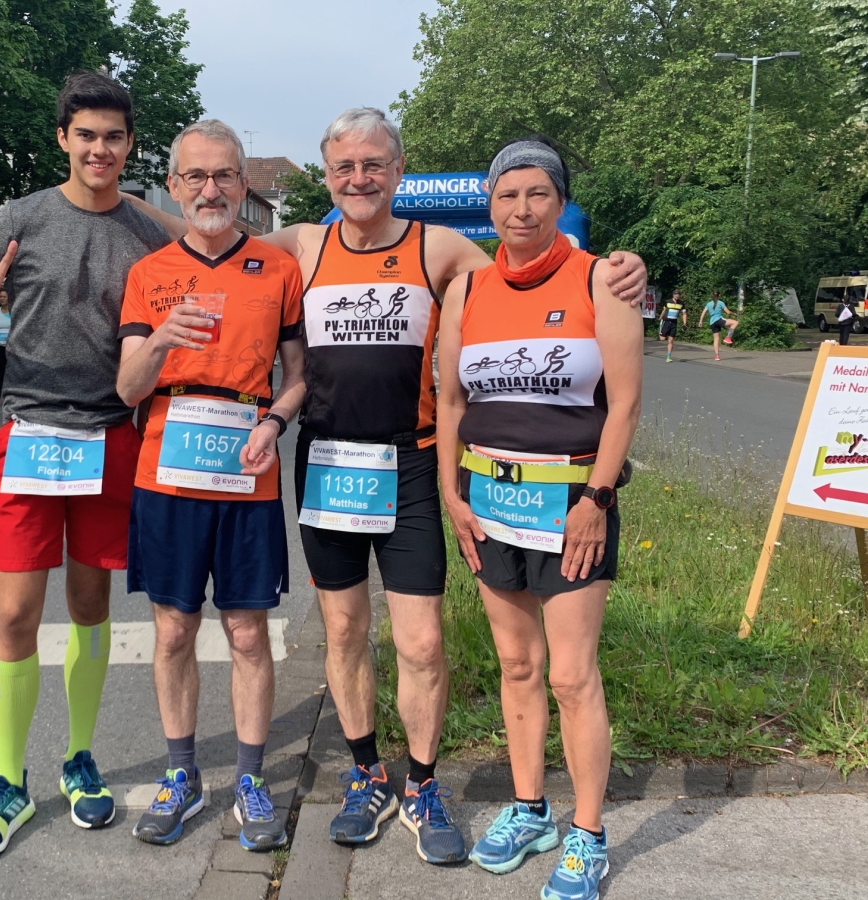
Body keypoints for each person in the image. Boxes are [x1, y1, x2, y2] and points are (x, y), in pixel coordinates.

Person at [125, 107, 649, 865]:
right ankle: (367, 774)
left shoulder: (438, 247)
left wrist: (620, 267)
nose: (359, 178)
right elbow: (209, 224)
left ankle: (423, 784)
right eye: (344, 167)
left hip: (410, 462)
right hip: (329, 462)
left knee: (422, 641)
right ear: (327, 176)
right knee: (343, 632)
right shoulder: (302, 244)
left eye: (374, 164)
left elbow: (527, 262)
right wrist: (116, 195)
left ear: (399, 171)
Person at [0, 71, 171, 860]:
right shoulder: (18, 219)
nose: (100, 149)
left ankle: (79, 759)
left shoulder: (150, 231)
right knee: (16, 617)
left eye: (114, 137)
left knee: (91, 608)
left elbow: (221, 254)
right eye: (85, 135)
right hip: (29, 437)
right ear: (63, 138)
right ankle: (7, 783)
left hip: (110, 438)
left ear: (130, 144)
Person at [437, 138, 642, 900]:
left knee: (570, 675)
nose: (520, 209)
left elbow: (625, 404)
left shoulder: (600, 279)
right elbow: (450, 401)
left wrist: (597, 499)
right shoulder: (467, 290)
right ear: (489, 204)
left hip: (571, 505)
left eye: (537, 194)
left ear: (560, 202)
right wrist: (452, 495)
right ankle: (530, 810)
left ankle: (588, 835)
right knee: (516, 666)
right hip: (490, 502)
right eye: (506, 195)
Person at [116, 119, 306, 851]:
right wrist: (164, 338)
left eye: (224, 175)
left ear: (243, 184)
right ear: (174, 186)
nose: (210, 189)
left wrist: (277, 421)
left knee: (248, 630)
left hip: (246, 465)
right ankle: (182, 773)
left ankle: (251, 779)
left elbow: (300, 375)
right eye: (195, 176)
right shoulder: (149, 274)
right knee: (173, 629)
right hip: (166, 468)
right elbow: (127, 387)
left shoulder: (277, 268)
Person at [701, 290, 738, 359]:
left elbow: (703, 312)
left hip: (712, 322)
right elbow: (728, 312)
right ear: (719, 295)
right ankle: (728, 338)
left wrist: (700, 321)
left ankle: (717, 356)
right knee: (735, 323)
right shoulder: (721, 303)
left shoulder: (709, 304)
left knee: (716, 339)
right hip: (718, 320)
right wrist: (734, 314)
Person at [657, 290, 686, 361]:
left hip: (674, 322)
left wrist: (684, 323)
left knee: (671, 339)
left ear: (680, 296)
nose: (677, 296)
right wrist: (660, 317)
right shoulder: (668, 301)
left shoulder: (681, 303)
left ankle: (668, 357)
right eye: (675, 295)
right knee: (662, 339)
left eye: (678, 295)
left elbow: (684, 313)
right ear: (673, 295)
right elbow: (664, 310)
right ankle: (662, 330)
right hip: (666, 321)